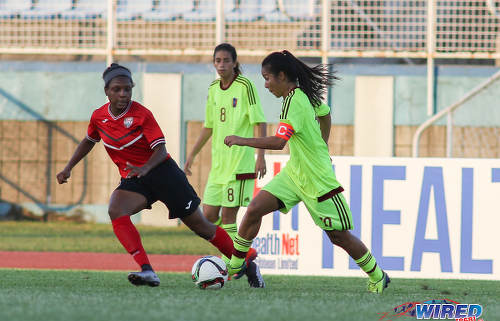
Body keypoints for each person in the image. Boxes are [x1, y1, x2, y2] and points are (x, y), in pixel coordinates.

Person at [56, 63, 257, 288]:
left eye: (127, 89)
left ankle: (248, 260)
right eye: (117, 89)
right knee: (116, 209)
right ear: (106, 91)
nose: (123, 94)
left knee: (202, 226)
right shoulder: (98, 117)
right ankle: (147, 270)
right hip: (136, 178)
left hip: (165, 174)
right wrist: (68, 167)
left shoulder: (142, 114)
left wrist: (144, 168)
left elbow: (161, 150)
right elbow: (89, 141)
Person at [224, 50, 390, 294]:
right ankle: (236, 264)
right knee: (254, 210)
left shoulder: (295, 103)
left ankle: (377, 275)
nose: (266, 85)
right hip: (295, 174)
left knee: (338, 237)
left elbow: (279, 143)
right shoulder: (302, 96)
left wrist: (241, 139)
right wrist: (322, 143)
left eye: (267, 78)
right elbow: (325, 114)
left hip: (317, 180)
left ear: (282, 76)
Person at [184, 43, 267, 287]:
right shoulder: (213, 88)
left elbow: (259, 122)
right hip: (218, 167)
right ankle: (246, 262)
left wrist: (260, 156)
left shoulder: (246, 86)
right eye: (217, 61)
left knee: (229, 218)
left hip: (239, 164)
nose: (221, 65)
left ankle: (232, 266)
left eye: (225, 60)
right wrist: (192, 155)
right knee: (208, 217)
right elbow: (209, 126)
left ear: (234, 62)